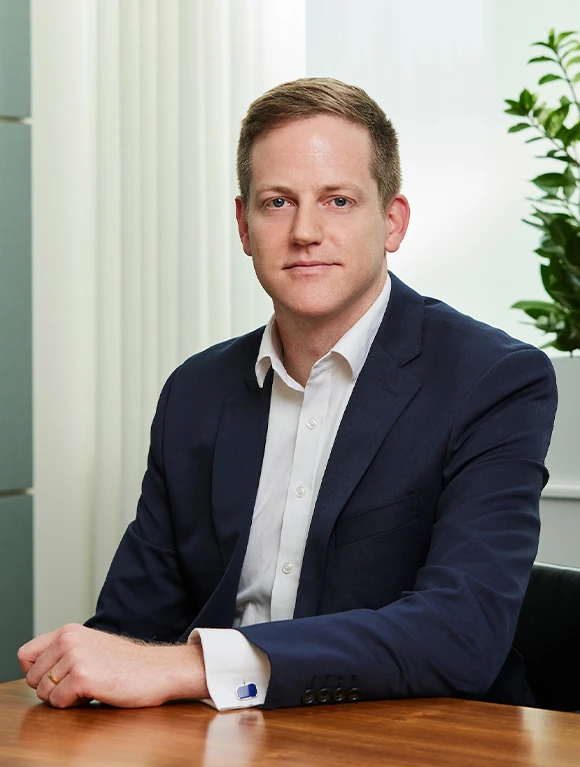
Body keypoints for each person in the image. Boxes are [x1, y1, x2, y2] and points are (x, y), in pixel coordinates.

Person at [18, 78, 557, 711]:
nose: (305, 231)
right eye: (277, 202)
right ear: (243, 225)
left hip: (416, 745)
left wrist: (196, 668)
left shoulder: (492, 379)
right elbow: (131, 631)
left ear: (392, 221)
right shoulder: (195, 391)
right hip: (218, 745)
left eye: (337, 200)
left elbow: (461, 634)